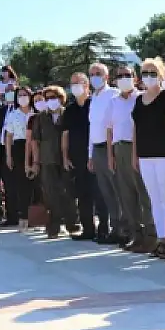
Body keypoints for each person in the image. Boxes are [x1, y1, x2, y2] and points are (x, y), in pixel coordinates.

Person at [132, 59, 165, 258]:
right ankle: (162, 238)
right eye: (145, 72)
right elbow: (136, 128)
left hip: (164, 155)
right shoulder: (138, 99)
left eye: (153, 72)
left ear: (160, 74)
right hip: (145, 156)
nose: (148, 76)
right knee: (154, 199)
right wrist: (134, 154)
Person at [107, 64, 157, 253]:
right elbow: (109, 128)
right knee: (126, 195)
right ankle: (135, 235)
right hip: (119, 149)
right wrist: (110, 155)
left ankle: (151, 235)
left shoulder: (141, 97)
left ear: (135, 78)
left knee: (144, 194)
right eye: (120, 76)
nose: (123, 78)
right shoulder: (113, 101)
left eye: (127, 75)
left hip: (137, 148)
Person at [29, 86, 80, 238]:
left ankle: (72, 224)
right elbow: (35, 141)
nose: (51, 101)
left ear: (61, 98)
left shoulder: (68, 114)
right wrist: (36, 162)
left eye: (54, 97)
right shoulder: (41, 117)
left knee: (68, 192)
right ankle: (53, 226)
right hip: (47, 160)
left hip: (66, 159)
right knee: (50, 194)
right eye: (48, 98)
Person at [87, 62, 122, 244]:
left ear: (106, 76)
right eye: (92, 74)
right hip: (97, 149)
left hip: (111, 149)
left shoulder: (113, 94)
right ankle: (113, 227)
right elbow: (92, 128)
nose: (95, 77)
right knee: (106, 192)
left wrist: (112, 153)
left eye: (98, 73)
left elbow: (114, 125)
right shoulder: (93, 97)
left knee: (117, 191)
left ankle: (122, 229)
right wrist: (90, 155)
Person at [64, 73, 102, 240]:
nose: (75, 86)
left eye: (78, 83)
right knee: (83, 194)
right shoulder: (70, 109)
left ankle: (104, 229)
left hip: (94, 154)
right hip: (76, 156)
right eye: (72, 83)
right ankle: (88, 229)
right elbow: (65, 134)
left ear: (87, 85)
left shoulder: (94, 104)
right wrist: (65, 156)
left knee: (99, 193)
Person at [2, 86, 35, 231]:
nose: (22, 97)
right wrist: (8, 156)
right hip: (18, 147)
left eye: (25, 95)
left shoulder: (36, 112)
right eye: (19, 95)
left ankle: (36, 215)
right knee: (21, 184)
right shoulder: (13, 114)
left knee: (36, 183)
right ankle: (23, 216)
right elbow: (8, 136)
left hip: (35, 147)